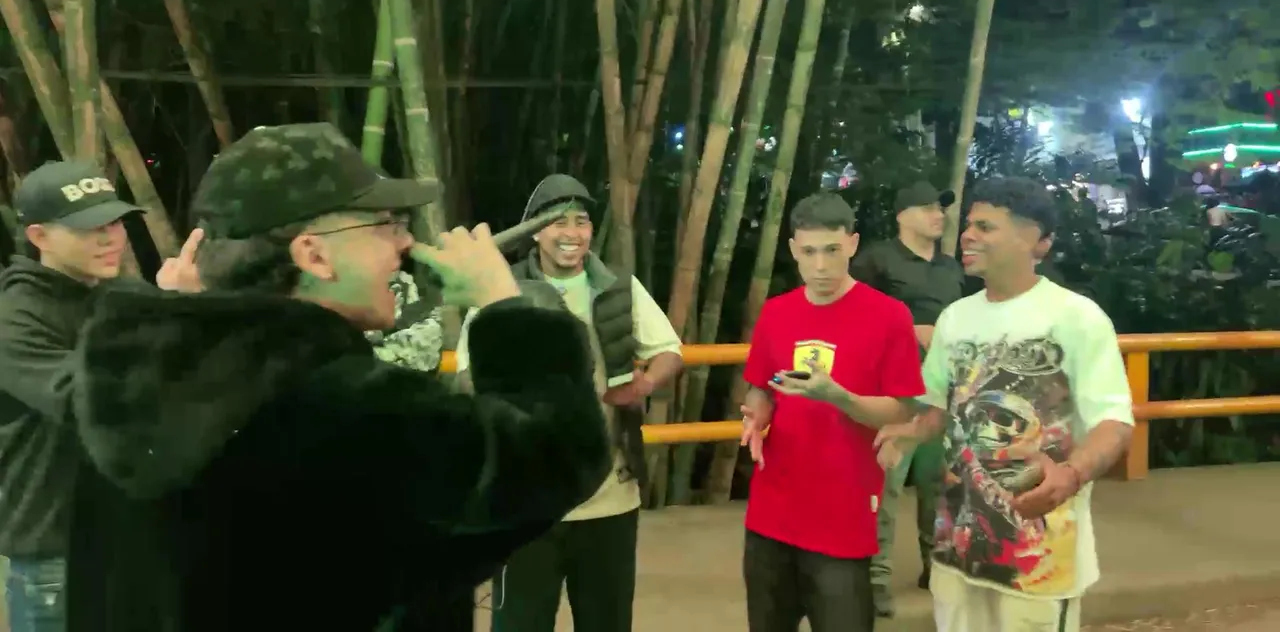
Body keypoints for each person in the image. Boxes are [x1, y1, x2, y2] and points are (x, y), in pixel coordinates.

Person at [63, 123, 612, 632]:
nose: (404, 244)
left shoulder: (132, 389)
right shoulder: (349, 414)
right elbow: (560, 453)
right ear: (314, 256)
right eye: (385, 225)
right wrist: (501, 304)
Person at [874, 177, 1134, 632]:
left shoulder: (1076, 317)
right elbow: (936, 407)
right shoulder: (956, 318)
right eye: (969, 225)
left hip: (1041, 557)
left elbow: (1114, 422)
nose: (967, 235)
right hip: (955, 550)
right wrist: (906, 432)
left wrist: (1072, 474)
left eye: (986, 227)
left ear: (1037, 241)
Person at [453, 174, 683, 632]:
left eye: (582, 221)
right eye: (559, 222)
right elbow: (465, 376)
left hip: (610, 496)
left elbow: (669, 352)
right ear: (535, 231)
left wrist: (642, 385)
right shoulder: (502, 290)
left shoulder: (619, 286)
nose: (572, 233)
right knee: (519, 623)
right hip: (526, 501)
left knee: (607, 621)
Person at [737, 192, 925, 632]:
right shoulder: (776, 312)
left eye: (832, 250)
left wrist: (839, 397)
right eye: (809, 252)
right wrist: (757, 416)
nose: (820, 266)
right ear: (793, 250)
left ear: (853, 244)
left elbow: (900, 412)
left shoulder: (889, 316)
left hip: (843, 516)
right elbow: (761, 387)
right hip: (771, 513)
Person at [0, 160, 155, 632]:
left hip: (134, 540)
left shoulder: (127, 294)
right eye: (89, 228)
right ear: (39, 236)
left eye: (115, 223)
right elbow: (86, 400)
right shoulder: (15, 317)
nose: (110, 239)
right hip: (57, 550)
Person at [850, 180, 963, 617]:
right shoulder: (876, 260)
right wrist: (909, 330)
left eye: (941, 207)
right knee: (886, 486)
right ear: (902, 215)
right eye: (928, 207)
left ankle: (936, 566)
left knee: (939, 484)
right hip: (892, 391)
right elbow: (852, 314)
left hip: (941, 390)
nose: (938, 214)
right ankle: (875, 577)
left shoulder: (952, 267)